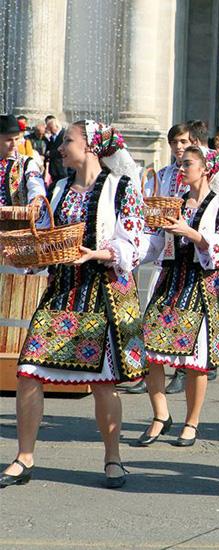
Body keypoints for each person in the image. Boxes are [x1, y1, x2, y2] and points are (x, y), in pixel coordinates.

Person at [0, 121, 145, 489]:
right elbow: (48, 238)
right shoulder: (61, 187)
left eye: (69, 141)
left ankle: (113, 457)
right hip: (62, 291)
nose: (61, 147)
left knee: (102, 380)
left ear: (92, 146)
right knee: (29, 371)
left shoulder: (120, 188)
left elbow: (135, 242)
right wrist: (26, 254)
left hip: (102, 291)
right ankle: (24, 457)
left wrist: (100, 252)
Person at [134, 146, 219, 448]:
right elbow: (155, 243)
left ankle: (192, 421)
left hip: (201, 284)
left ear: (206, 168)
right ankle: (160, 414)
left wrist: (191, 233)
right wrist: (123, 254)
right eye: (179, 164)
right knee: (150, 347)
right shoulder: (173, 204)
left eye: (188, 164)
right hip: (171, 279)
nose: (181, 169)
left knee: (196, 360)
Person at [0, 114, 47, 207]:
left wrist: (35, 200)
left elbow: (36, 185)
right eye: (9, 140)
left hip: (16, 219)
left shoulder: (27, 163)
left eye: (17, 139)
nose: (14, 144)